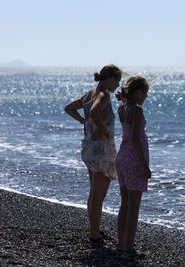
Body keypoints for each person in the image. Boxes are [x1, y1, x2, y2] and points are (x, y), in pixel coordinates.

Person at [64, 64, 122, 247]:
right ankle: (94, 236)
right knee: (98, 196)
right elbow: (96, 111)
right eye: (117, 80)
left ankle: (94, 232)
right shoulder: (103, 95)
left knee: (93, 194)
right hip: (101, 150)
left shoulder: (89, 93)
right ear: (108, 78)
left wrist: (84, 121)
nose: (118, 85)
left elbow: (69, 108)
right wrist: (102, 130)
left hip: (89, 147)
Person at [115, 76, 151, 258]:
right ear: (137, 92)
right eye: (145, 92)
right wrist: (145, 166)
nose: (146, 96)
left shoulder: (122, 108)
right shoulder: (136, 111)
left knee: (125, 205)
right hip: (134, 159)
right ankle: (128, 248)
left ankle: (121, 244)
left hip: (121, 157)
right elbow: (136, 139)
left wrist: (123, 98)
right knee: (133, 207)